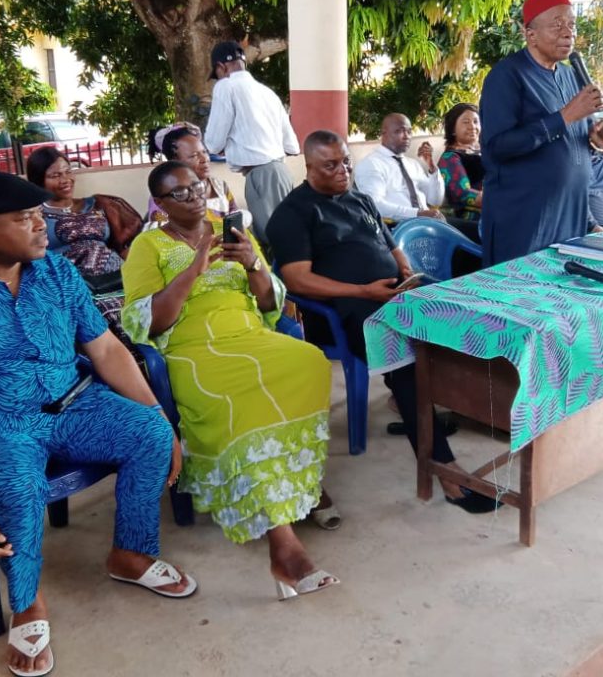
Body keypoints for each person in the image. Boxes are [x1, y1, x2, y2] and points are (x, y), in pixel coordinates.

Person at [0, 171, 195, 677]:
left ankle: (130, 553)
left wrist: (159, 420)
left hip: (75, 403)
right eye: (24, 219)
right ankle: (27, 601)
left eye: (38, 216)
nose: (41, 228)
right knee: (13, 486)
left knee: (149, 433)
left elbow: (107, 351)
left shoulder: (55, 271)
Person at [121, 160, 339, 599]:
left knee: (309, 361)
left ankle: (291, 479)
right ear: (160, 204)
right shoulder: (148, 247)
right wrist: (192, 270)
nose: (194, 196)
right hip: (193, 347)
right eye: (179, 193)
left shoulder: (230, 228)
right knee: (236, 400)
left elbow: (267, 301)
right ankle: (284, 545)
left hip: (247, 332)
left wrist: (255, 264)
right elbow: (149, 323)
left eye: (197, 186)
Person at [267, 130, 499, 514]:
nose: (342, 170)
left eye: (345, 161)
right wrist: (363, 292)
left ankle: (437, 408)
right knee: (406, 357)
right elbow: (296, 279)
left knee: (465, 321)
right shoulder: (293, 214)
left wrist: (404, 267)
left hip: (392, 294)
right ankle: (446, 470)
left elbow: (388, 241)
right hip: (343, 313)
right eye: (330, 165)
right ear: (307, 167)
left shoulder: (358, 198)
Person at [478, 0, 603, 266]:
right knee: (522, 304)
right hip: (525, 218)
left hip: (571, 215)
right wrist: (565, 117)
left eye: (571, 24)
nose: (568, 32)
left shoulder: (571, 75)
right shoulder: (506, 76)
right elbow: (497, 147)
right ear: (530, 34)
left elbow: (569, 145)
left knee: (563, 303)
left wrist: (595, 139)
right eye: (557, 25)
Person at [25, 147, 142, 337]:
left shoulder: (101, 204)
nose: (65, 180)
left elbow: (132, 242)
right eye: (55, 175)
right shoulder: (33, 216)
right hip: (74, 290)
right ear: (39, 180)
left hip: (119, 280)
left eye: (68, 171)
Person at [203, 40, 299, 243]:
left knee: (273, 240)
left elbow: (212, 143)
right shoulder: (267, 92)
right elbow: (292, 145)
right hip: (280, 171)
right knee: (289, 235)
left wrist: (225, 146)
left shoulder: (225, 86)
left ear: (221, 67)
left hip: (261, 174)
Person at [147, 123, 252, 228]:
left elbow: (235, 219)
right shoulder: (165, 196)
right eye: (194, 155)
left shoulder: (220, 187)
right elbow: (162, 234)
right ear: (175, 161)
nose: (204, 159)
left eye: (204, 152)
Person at [354, 113, 446, 224]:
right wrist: (417, 214)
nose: (406, 136)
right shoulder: (371, 164)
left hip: (426, 224)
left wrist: (432, 168)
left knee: (470, 230)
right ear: (384, 134)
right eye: (399, 131)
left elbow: (435, 200)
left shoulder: (413, 164)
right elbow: (376, 205)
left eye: (409, 131)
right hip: (397, 228)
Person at [437, 102, 483, 225]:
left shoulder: (487, 151)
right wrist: (501, 199)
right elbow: (462, 193)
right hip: (471, 216)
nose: (472, 126)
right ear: (453, 129)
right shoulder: (450, 157)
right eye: (466, 122)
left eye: (475, 121)